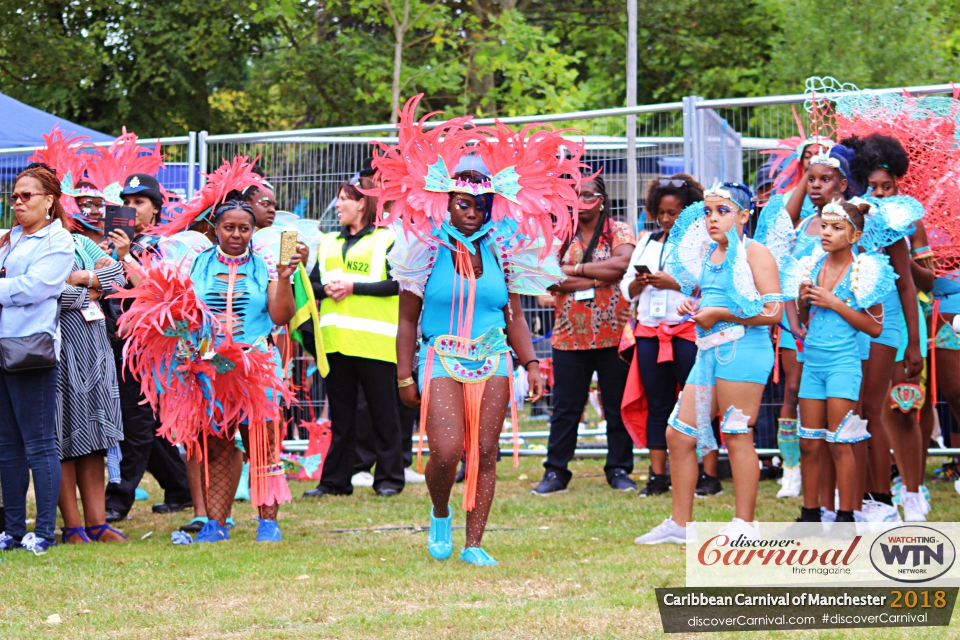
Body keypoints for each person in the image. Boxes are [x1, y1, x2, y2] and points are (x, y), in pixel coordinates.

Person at [376, 95, 576, 564]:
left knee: (485, 451)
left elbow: (515, 316)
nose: (472, 212)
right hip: (440, 355)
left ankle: (474, 543)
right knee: (446, 451)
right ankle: (441, 510)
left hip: (493, 356)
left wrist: (531, 363)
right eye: (463, 204)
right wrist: (404, 374)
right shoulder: (421, 248)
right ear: (445, 202)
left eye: (481, 205)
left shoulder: (504, 250)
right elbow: (407, 318)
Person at [635, 182, 796, 544]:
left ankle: (745, 524)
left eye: (722, 211)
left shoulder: (756, 253)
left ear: (743, 215)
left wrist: (720, 313)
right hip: (708, 353)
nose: (712, 219)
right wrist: (691, 306)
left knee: (737, 434)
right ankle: (681, 524)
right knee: (678, 434)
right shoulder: (709, 253)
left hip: (745, 353)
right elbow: (710, 296)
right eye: (708, 211)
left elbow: (773, 312)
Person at [845, 133, 932, 521]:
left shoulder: (907, 223)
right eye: (873, 187)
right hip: (861, 324)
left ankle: (912, 491)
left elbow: (922, 282)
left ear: (898, 182)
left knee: (900, 409)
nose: (879, 194)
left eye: (887, 186)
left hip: (899, 321)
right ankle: (867, 496)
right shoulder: (852, 220)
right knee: (867, 410)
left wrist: (901, 257)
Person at [534, 174, 638, 495]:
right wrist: (599, 277)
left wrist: (576, 271)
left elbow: (622, 265)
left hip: (614, 334)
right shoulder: (559, 233)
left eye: (589, 194)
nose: (582, 199)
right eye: (576, 194)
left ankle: (619, 469)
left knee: (616, 406)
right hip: (569, 336)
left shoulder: (618, 230)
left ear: (602, 199)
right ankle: (556, 472)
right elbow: (549, 278)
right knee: (566, 408)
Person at [303, 176, 405, 497]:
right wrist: (327, 289)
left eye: (343, 199)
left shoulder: (388, 239)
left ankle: (389, 480)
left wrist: (352, 287)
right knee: (342, 418)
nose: (338, 206)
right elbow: (312, 284)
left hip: (376, 343)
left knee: (383, 415)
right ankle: (335, 482)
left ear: (362, 203)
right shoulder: (328, 243)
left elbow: (397, 284)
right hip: (336, 343)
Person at [620, 174, 720, 498]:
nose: (666, 218)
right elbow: (626, 290)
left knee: (700, 402)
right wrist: (640, 282)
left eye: (673, 212)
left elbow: (713, 286)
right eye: (662, 212)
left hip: (690, 331)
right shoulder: (647, 241)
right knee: (657, 404)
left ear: (689, 211)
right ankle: (658, 476)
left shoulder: (705, 242)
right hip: (649, 331)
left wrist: (673, 283)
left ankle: (709, 476)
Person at [104, 173, 193, 523]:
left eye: (139, 203)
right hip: (110, 342)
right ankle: (181, 486)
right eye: (125, 203)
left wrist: (127, 257)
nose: (131, 209)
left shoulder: (165, 247)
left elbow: (161, 294)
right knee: (146, 424)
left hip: (145, 349)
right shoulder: (107, 246)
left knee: (135, 424)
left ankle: (117, 499)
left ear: (156, 210)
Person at [794, 201, 890, 523]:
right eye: (824, 226)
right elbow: (805, 317)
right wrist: (802, 300)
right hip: (812, 362)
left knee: (840, 442)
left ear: (855, 234)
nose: (827, 233)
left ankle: (846, 517)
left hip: (843, 364)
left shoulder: (864, 270)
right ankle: (810, 515)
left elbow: (875, 326)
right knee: (808, 442)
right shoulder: (812, 264)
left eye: (837, 228)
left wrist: (835, 302)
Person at [755, 132, 836, 500]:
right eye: (808, 158)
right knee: (792, 389)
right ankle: (791, 469)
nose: (813, 166)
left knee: (827, 395)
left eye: (822, 161)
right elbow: (779, 251)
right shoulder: (787, 206)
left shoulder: (839, 214)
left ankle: (827, 470)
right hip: (795, 316)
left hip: (832, 318)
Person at [0, 163, 75, 553]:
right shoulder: (8, 238)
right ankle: (13, 530)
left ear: (49, 200)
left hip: (32, 350)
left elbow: (37, 287)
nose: (18, 202)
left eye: (26, 196)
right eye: (14, 196)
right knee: (7, 445)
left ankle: (44, 531)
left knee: (40, 444)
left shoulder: (58, 241)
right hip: (2, 348)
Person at [55, 186, 129, 544]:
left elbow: (118, 277)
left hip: (94, 350)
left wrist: (85, 279)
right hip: (54, 349)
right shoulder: (22, 246)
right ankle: (72, 526)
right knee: (62, 435)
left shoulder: (79, 242)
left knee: (94, 434)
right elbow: (50, 293)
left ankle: (97, 523)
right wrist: (93, 288)